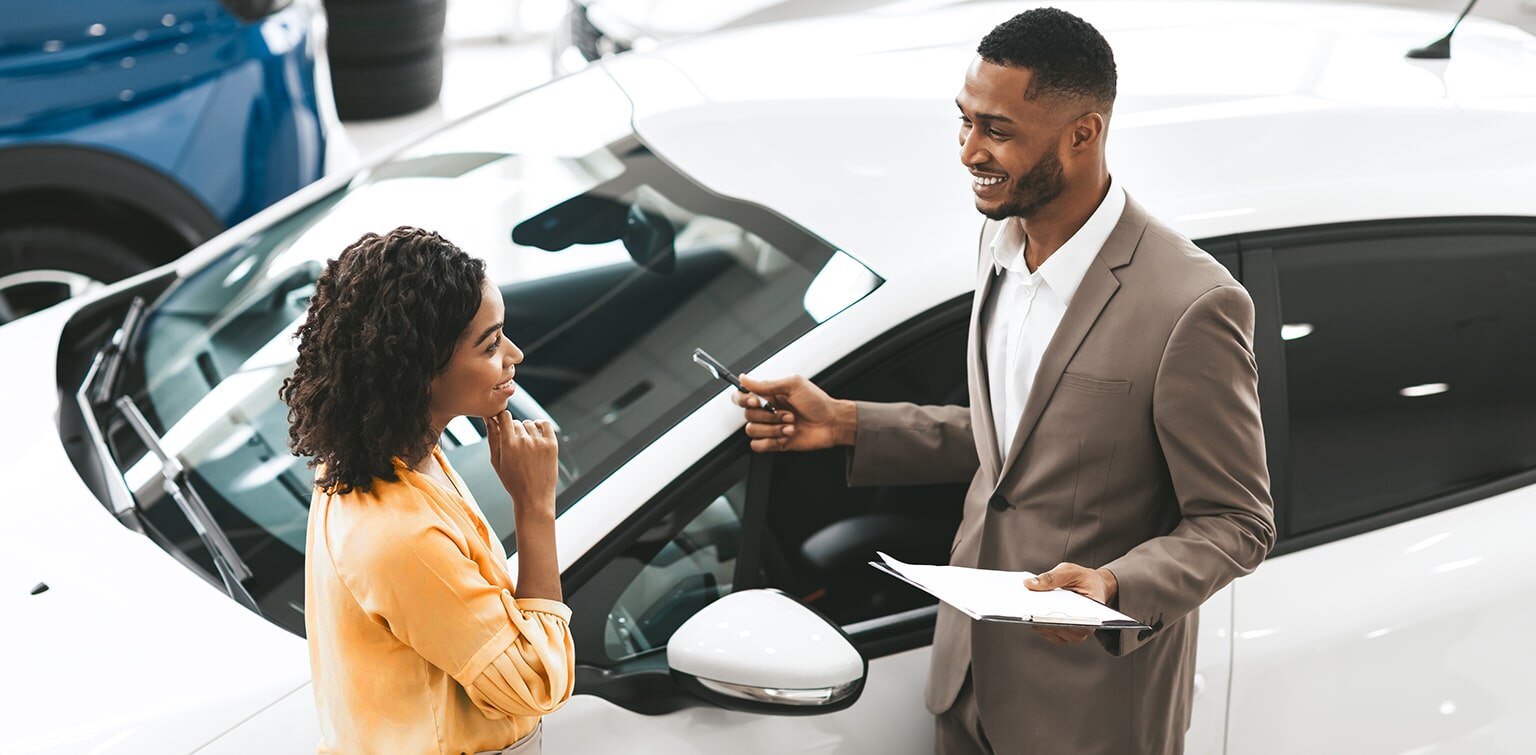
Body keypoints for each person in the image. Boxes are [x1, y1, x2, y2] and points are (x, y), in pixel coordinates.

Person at [734, 9, 1275, 754]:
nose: (967, 152)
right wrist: (848, 423)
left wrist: (1115, 584)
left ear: (1082, 133)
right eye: (962, 122)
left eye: (996, 129)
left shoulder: (1191, 305)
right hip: (965, 678)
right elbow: (1017, 449)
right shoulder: (998, 235)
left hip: (1089, 710)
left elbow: (1237, 521)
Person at [283, 226, 572, 754]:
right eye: (490, 344)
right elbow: (535, 683)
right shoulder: (401, 535)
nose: (516, 355)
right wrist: (535, 507)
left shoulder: (378, 455)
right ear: (422, 371)